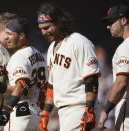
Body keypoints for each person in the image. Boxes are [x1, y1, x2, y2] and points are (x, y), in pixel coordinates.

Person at [37, 2, 101, 131]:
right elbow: (52, 85)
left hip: (80, 108)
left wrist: (89, 109)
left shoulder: (79, 41)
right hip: (64, 111)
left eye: (47, 27)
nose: (43, 32)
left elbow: (91, 78)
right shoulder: (51, 48)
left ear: (59, 22)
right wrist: (46, 112)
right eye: (41, 29)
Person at [0, 16, 48, 131]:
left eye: (10, 34)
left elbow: (22, 83)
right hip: (36, 113)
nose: (6, 38)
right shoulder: (39, 54)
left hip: (20, 112)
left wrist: (7, 109)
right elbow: (44, 89)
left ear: (22, 36)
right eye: (6, 34)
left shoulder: (19, 56)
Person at [98, 4, 129, 131]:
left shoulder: (125, 47)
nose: (108, 26)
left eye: (111, 22)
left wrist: (106, 111)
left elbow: (121, 83)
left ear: (123, 20)